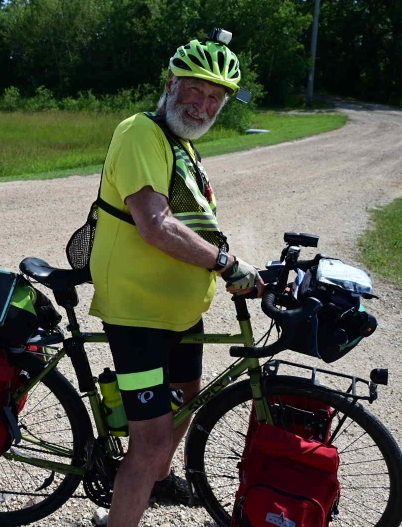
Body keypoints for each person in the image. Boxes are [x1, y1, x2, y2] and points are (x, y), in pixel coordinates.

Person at [88, 30, 265, 526]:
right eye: (195, 89)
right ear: (170, 83)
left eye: (215, 97)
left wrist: (231, 265)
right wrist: (228, 266)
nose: (203, 104)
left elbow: (196, 223)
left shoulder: (183, 144)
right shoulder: (141, 132)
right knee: (151, 439)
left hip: (179, 309)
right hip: (140, 311)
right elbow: (156, 225)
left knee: (190, 396)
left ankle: (157, 481)